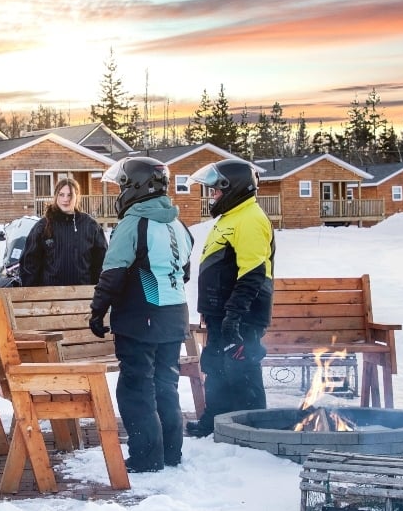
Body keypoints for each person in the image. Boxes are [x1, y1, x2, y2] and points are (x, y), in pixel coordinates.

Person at [88, 156, 193, 473]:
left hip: (141, 318)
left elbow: (114, 272)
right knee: (165, 386)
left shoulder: (133, 222)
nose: (119, 191)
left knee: (136, 389)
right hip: (174, 317)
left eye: (121, 184)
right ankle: (171, 452)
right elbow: (183, 272)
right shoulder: (178, 224)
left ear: (134, 186)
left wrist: (98, 311)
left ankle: (147, 457)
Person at [184, 159, 275, 438]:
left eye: (217, 189)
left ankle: (253, 428)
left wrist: (234, 316)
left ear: (233, 187)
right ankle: (216, 420)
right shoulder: (232, 217)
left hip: (241, 315)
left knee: (242, 370)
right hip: (221, 314)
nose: (213, 195)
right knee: (217, 367)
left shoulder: (250, 219)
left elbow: (252, 273)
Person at [19, 177, 108, 287]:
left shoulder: (91, 226)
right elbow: (29, 263)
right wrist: (32, 294)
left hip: (83, 296)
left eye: (70, 195)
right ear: (56, 196)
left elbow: (102, 262)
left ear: (77, 196)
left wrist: (97, 291)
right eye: (61, 195)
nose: (65, 199)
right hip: (50, 296)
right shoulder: (43, 226)